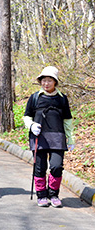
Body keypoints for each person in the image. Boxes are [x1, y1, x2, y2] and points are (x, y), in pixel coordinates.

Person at [23, 66, 74, 208]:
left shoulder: (62, 99)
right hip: (39, 138)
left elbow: (67, 120)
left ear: (55, 82)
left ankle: (54, 194)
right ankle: (41, 195)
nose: (46, 84)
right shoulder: (34, 98)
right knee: (40, 167)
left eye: (49, 81)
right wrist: (31, 125)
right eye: (43, 80)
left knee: (57, 166)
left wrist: (71, 138)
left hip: (58, 137)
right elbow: (27, 116)